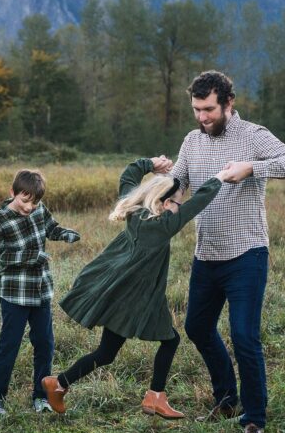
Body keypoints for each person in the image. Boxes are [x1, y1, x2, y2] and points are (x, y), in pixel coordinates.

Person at [171, 70, 285, 433]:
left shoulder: (252, 135)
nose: (202, 117)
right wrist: (168, 196)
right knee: (197, 326)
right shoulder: (192, 140)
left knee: (245, 337)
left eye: (209, 109)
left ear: (228, 103)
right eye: (197, 110)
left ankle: (253, 422)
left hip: (247, 254)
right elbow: (180, 179)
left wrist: (252, 168)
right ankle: (226, 399)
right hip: (207, 254)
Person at [41, 157, 231, 417]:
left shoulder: (135, 210)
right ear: (165, 204)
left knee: (107, 353)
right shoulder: (162, 226)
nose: (180, 206)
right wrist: (220, 178)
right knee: (170, 339)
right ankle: (155, 398)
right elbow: (196, 205)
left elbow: (128, 177)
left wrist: (150, 164)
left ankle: (59, 383)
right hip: (136, 297)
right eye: (177, 201)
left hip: (122, 292)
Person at [0, 169, 81, 417]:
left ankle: (41, 397)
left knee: (45, 344)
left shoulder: (39, 209)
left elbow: (52, 227)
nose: (30, 206)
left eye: (34, 202)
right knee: (9, 345)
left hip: (40, 290)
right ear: (13, 193)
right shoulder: (0, 218)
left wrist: (66, 234)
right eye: (25, 200)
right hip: (14, 293)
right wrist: (31, 257)